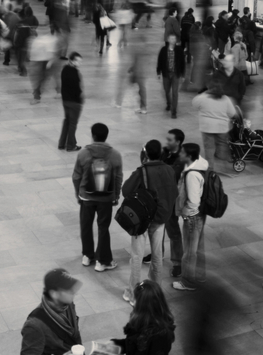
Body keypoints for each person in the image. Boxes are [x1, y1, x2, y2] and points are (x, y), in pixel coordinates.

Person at [122, 139, 177, 305]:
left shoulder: (142, 171)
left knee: (137, 256)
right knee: (157, 256)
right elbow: (173, 191)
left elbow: (126, 190)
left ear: (145, 154)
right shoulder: (169, 169)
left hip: (142, 220)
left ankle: (134, 294)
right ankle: (155, 292)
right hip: (160, 219)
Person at [72, 122, 123, 272]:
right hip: (106, 198)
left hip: (86, 198)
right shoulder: (115, 154)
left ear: (93, 135)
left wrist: (78, 193)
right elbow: (118, 177)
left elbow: (76, 176)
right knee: (103, 227)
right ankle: (102, 261)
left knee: (86, 226)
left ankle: (87, 256)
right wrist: (116, 195)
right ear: (106, 136)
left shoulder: (83, 154)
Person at [20, 268, 83, 355]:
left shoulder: (67, 304)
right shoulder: (34, 325)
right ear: (54, 294)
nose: (74, 293)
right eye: (69, 290)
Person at [173, 142, 208, 292]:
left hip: (193, 216)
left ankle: (188, 282)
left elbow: (193, 201)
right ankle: (200, 276)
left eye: (182, 153)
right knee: (198, 248)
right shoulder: (200, 165)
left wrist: (186, 213)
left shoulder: (192, 174)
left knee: (189, 252)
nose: (179, 154)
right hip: (200, 215)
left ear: (189, 156)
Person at [114, 280, 176, 355]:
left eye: (135, 299)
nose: (132, 301)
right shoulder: (140, 318)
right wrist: (114, 344)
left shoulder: (160, 336)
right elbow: (132, 343)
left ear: (143, 305)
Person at [191, 82, 238, 176]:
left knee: (209, 148)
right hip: (222, 128)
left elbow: (194, 104)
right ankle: (224, 168)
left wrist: (204, 93)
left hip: (207, 127)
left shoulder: (202, 98)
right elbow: (232, 113)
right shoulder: (225, 98)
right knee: (222, 147)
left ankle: (210, 170)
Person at [161, 129, 185, 277]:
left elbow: (173, 174)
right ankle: (158, 254)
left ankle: (177, 262)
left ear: (178, 142)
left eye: (170, 140)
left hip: (172, 199)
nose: (166, 142)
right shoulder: (165, 152)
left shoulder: (182, 158)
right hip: (160, 197)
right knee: (157, 228)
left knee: (172, 230)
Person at [157, 34, 185, 119]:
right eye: (171, 38)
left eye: (174, 39)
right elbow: (160, 61)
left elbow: (182, 63)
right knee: (166, 91)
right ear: (168, 40)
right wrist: (158, 72)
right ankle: (169, 103)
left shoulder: (179, 50)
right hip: (166, 74)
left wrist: (183, 74)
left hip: (175, 74)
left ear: (176, 40)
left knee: (175, 93)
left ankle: (174, 111)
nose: (173, 40)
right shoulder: (163, 50)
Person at [59, 52, 83, 151]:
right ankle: (71, 145)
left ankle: (61, 144)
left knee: (67, 121)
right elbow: (77, 89)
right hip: (74, 102)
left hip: (65, 100)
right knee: (72, 124)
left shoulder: (65, 69)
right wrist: (79, 100)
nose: (79, 63)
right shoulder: (74, 72)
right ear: (72, 60)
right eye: (77, 61)